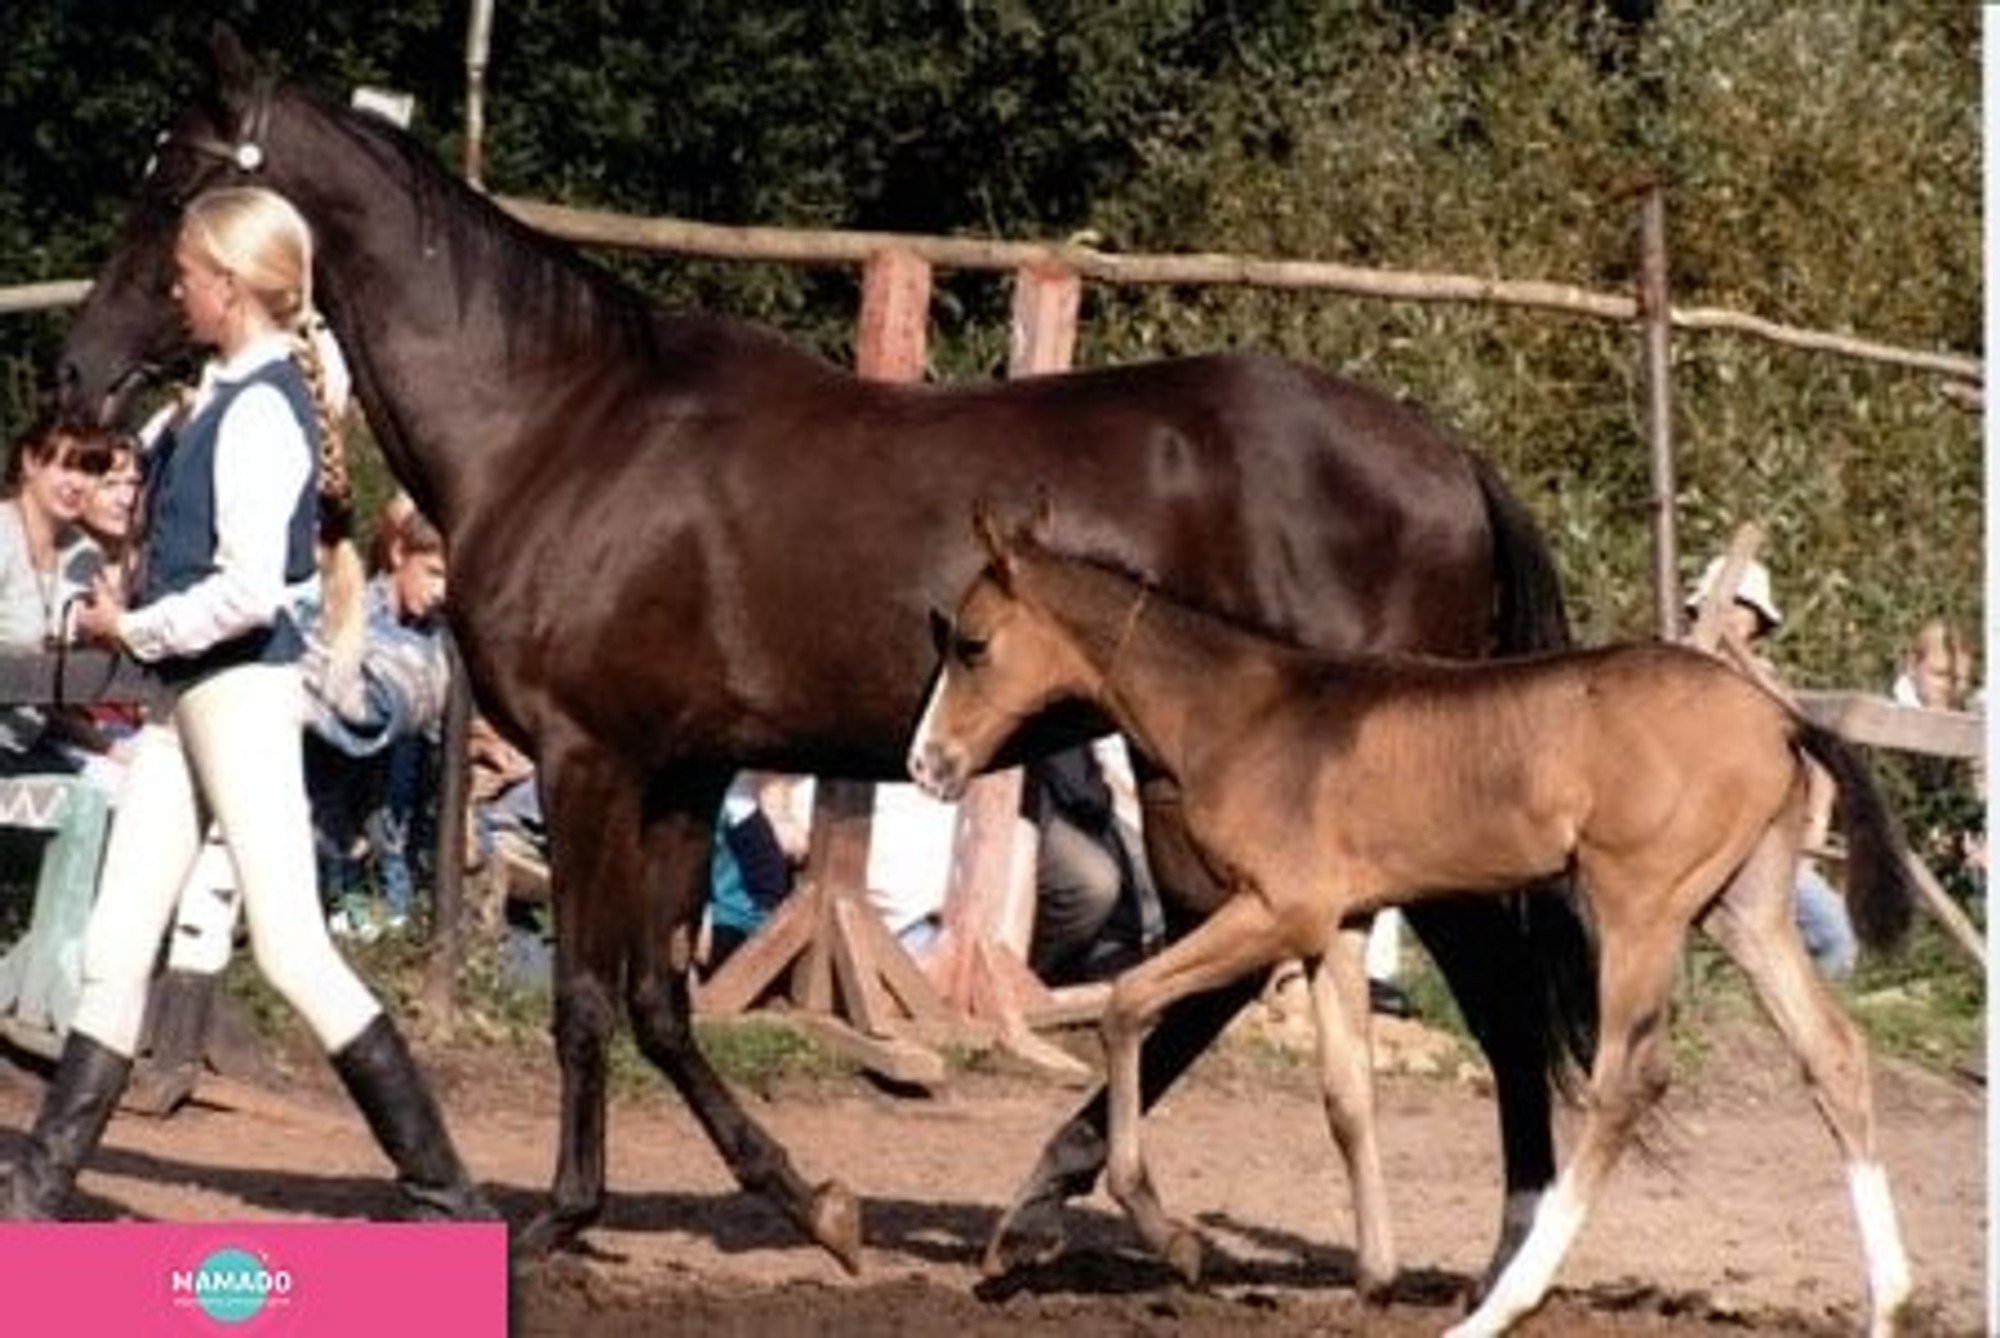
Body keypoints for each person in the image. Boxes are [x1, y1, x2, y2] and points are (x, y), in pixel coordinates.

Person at [2, 184, 488, 1221]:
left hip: (240, 693)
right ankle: (39, 1185)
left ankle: (446, 1195)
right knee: (119, 938)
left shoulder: (263, 411)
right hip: (189, 700)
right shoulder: (214, 398)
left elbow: (250, 593)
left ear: (227, 284)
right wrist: (132, 595)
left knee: (292, 948)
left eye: (185, 273)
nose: (174, 288)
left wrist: (128, 632)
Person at [1684, 554, 1858, 978]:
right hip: (1684, 841)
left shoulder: (1763, 680)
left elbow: (1811, 746)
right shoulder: (1676, 668)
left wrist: (1815, 819)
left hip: (1754, 845)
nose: (1728, 613)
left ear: (1757, 619)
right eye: (1721, 602)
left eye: (1740, 605)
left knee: (1836, 935)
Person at [304, 494, 452, 940]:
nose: (441, 591)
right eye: (434, 573)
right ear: (398, 554)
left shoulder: (436, 636)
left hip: (396, 818)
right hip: (336, 796)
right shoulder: (355, 614)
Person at [1022, 741, 1160, 985]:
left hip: (1089, 789)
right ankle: (1033, 972)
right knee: (1096, 881)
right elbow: (1080, 790)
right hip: (1041, 802)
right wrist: (1103, 797)